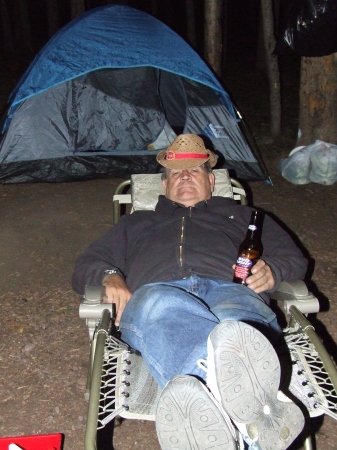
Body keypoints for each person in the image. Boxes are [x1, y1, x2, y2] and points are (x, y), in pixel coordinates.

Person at [72, 134, 308, 450]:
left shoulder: (246, 218)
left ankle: (226, 421)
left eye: (194, 171)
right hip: (159, 298)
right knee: (159, 304)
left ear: (211, 181)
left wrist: (274, 270)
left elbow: (294, 259)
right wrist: (110, 276)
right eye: (176, 173)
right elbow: (88, 263)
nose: (185, 176)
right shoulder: (136, 224)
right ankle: (252, 421)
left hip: (233, 293)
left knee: (237, 326)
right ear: (165, 186)